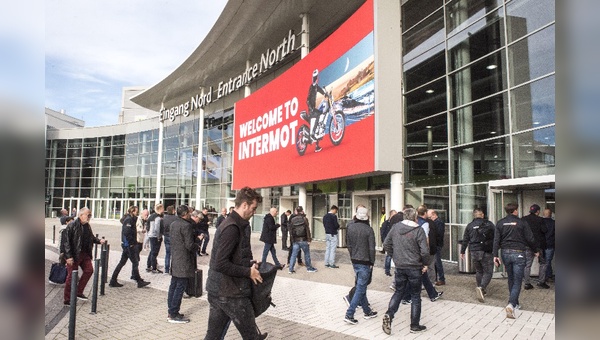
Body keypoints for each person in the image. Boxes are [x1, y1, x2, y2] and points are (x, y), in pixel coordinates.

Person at [204, 187, 267, 339]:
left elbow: (235, 256)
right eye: (253, 208)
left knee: (214, 336)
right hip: (230, 292)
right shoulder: (231, 227)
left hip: (222, 290)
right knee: (251, 336)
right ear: (244, 205)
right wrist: (248, 272)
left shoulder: (239, 224)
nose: (254, 212)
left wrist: (250, 263)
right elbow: (221, 263)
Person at [381, 207, 429, 335]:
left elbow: (386, 244)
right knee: (415, 296)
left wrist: (394, 256)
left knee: (398, 292)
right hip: (414, 267)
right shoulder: (418, 230)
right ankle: (414, 325)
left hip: (400, 266)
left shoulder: (396, 227)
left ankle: (389, 315)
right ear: (415, 218)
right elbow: (424, 251)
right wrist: (425, 263)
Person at [493, 202, 538, 319]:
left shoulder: (500, 223)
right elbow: (530, 238)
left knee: (511, 278)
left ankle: (515, 303)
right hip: (518, 253)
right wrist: (535, 250)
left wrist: (495, 255)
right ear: (516, 211)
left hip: (505, 253)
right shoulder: (522, 222)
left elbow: (496, 240)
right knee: (518, 281)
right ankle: (511, 304)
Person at [62, 207, 106, 305]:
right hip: (74, 254)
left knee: (89, 270)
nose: (89, 216)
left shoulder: (87, 226)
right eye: (88, 214)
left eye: (90, 215)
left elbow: (91, 237)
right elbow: (66, 242)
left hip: (85, 253)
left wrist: (99, 241)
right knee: (71, 276)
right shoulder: (72, 225)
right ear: (81, 215)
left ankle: (78, 291)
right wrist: (69, 256)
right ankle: (67, 299)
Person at [401, 205, 443, 303]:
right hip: (418, 252)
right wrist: (425, 257)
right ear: (425, 213)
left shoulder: (402, 225)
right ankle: (406, 297)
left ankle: (432, 294)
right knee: (417, 273)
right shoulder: (425, 224)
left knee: (421, 274)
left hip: (408, 251)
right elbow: (424, 240)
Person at [167, 205, 202, 323]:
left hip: (176, 258)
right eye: (189, 213)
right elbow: (189, 245)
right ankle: (173, 313)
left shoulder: (173, 224)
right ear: (186, 213)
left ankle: (171, 310)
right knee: (179, 287)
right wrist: (198, 243)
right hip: (184, 260)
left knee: (174, 285)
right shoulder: (186, 225)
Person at [344, 206, 377, 325]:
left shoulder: (350, 227)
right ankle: (349, 314)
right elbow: (372, 248)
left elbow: (348, 243)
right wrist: (372, 262)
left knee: (361, 285)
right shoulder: (369, 230)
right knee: (360, 288)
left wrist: (352, 255)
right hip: (365, 261)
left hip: (355, 259)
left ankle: (367, 311)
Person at [109, 206, 151, 288]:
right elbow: (127, 232)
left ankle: (113, 280)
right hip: (128, 245)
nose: (137, 213)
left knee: (123, 262)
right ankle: (138, 281)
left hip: (127, 245)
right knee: (134, 262)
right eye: (136, 211)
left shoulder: (131, 219)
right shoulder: (128, 220)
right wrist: (131, 243)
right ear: (133, 211)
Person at [460, 208, 495, 302]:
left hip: (474, 251)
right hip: (485, 250)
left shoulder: (469, 226)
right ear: (482, 214)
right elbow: (496, 236)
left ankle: (480, 287)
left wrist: (462, 251)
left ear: (474, 215)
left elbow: (465, 239)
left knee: (479, 271)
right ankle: (481, 288)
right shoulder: (489, 224)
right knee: (488, 271)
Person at [522, 204, 549, 289]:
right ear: (537, 211)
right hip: (538, 245)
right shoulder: (540, 220)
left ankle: (527, 283)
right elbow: (545, 230)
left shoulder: (523, 219)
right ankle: (541, 282)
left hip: (527, 245)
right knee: (543, 263)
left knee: (527, 265)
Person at [288, 206, 317, 273]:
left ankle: (291, 269)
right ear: (302, 211)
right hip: (303, 239)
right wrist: (309, 240)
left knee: (293, 255)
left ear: (296, 211)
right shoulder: (304, 219)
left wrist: (292, 240)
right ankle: (309, 268)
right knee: (307, 254)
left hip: (296, 240)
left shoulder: (292, 219)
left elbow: (291, 231)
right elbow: (307, 230)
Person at [306, 68, 327, 152]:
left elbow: (322, 91)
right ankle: (312, 134)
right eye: (314, 77)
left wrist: (326, 94)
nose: (315, 78)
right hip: (311, 109)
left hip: (313, 108)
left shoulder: (316, 87)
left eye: (316, 77)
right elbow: (307, 99)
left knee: (320, 117)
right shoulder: (311, 87)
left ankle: (317, 146)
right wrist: (310, 108)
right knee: (318, 115)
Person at [428, 209, 446, 286]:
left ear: (434, 215)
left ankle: (441, 278)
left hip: (437, 244)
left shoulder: (439, 223)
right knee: (435, 262)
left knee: (437, 262)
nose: (429, 219)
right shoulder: (436, 222)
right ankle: (435, 278)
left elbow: (439, 234)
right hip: (435, 244)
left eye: (430, 217)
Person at [147, 204, 165, 273]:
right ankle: (154, 268)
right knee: (154, 252)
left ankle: (149, 265)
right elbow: (157, 228)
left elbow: (148, 226)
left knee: (152, 251)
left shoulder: (151, 216)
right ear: (160, 209)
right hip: (155, 236)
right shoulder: (157, 217)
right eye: (163, 208)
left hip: (151, 235)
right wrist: (158, 237)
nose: (163, 210)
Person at [380, 210, 397, 276]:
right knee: (388, 256)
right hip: (389, 242)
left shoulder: (395, 223)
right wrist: (384, 242)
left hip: (395, 242)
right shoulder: (386, 223)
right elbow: (383, 233)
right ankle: (387, 270)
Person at [162, 205, 177, 274]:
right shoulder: (176, 218)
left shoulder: (164, 218)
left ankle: (166, 269)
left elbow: (162, 227)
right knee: (174, 254)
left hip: (166, 236)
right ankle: (173, 269)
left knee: (167, 253)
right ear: (173, 210)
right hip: (173, 237)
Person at [542, 208, 555, 282]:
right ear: (550, 214)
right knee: (548, 261)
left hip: (541, 245)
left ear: (543, 214)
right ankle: (548, 276)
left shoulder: (540, 222)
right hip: (550, 244)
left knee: (542, 262)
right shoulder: (554, 223)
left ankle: (544, 276)